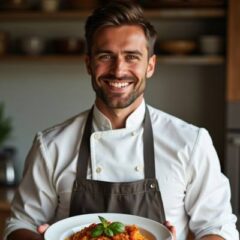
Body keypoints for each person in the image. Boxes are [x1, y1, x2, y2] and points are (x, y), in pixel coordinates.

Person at [4, 1, 239, 240]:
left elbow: (218, 228)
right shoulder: (51, 145)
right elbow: (20, 224)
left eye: (132, 57)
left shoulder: (190, 142)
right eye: (106, 56)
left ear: (150, 65)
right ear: (89, 63)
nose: (118, 70)